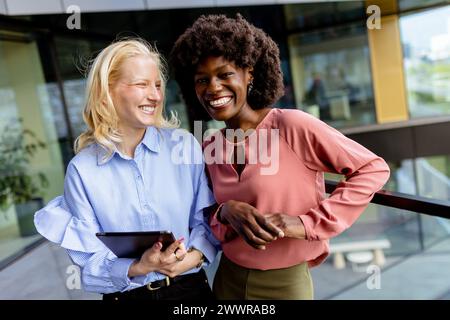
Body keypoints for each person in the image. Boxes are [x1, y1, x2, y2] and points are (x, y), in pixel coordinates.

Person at [170, 14, 390, 300]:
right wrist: (225, 211)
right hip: (227, 278)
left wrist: (306, 223)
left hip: (285, 283)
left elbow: (372, 169)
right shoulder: (210, 145)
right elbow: (205, 212)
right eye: (202, 80)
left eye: (225, 74)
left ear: (249, 73)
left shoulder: (292, 126)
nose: (213, 87)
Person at [34, 39, 218, 300]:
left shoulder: (184, 146)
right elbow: (88, 258)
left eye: (157, 85)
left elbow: (206, 223)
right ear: (107, 91)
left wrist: (186, 261)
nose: (154, 95)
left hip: (190, 292)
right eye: (141, 84)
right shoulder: (82, 170)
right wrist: (139, 266)